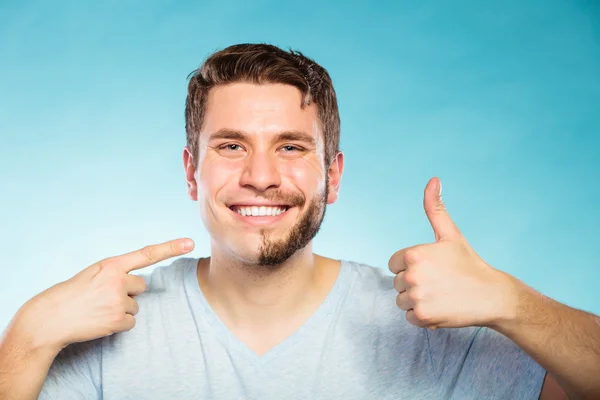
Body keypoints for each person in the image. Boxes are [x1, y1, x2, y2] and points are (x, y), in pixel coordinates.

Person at [0, 43, 598, 400]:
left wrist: (512, 304)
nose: (262, 175)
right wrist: (25, 338)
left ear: (333, 176)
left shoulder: (430, 327)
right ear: (191, 171)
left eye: (290, 147)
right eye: (231, 146)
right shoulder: (103, 331)